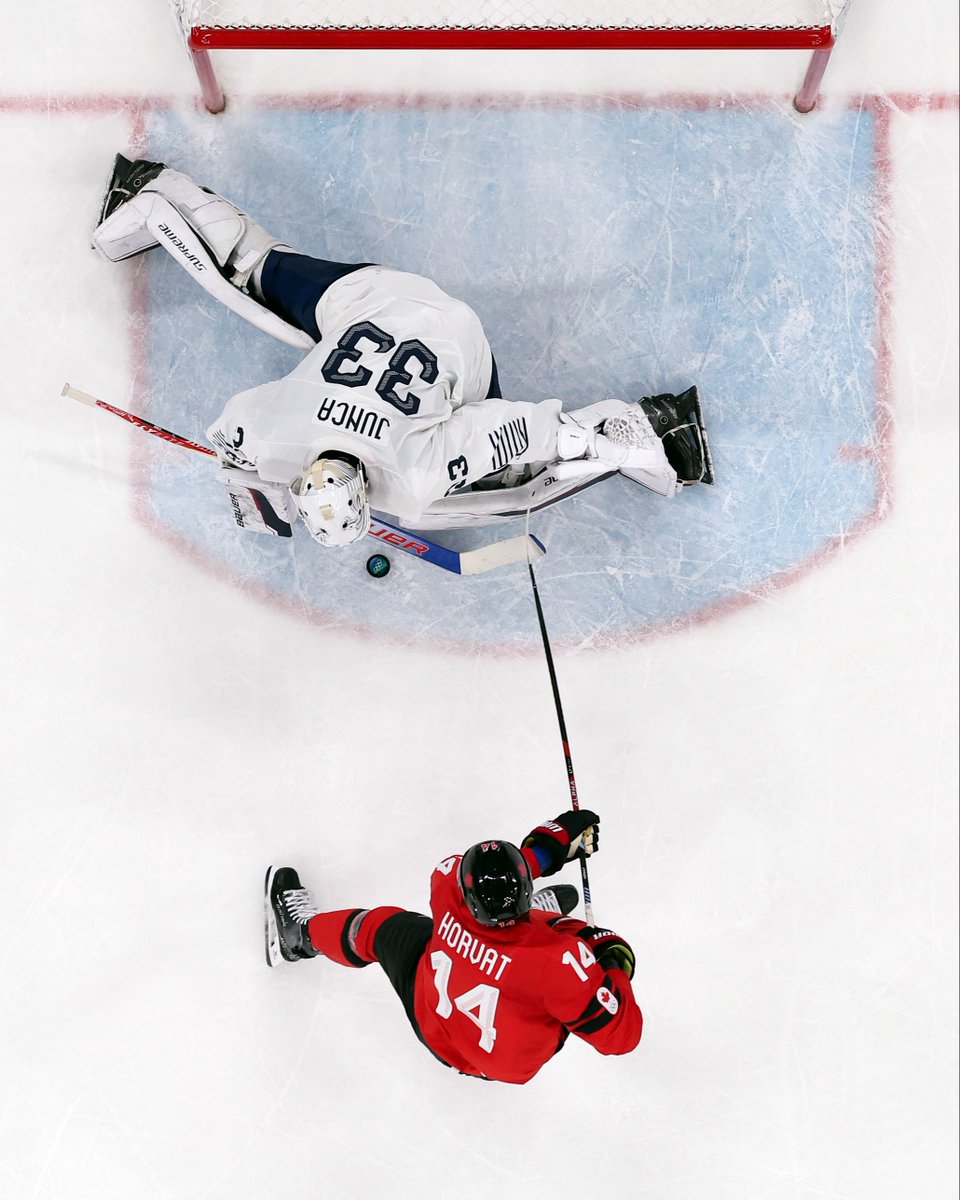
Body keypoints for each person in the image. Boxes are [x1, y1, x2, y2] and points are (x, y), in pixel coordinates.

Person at [93, 153, 712, 547]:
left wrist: (583, 441)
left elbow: (510, 430)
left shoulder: (414, 480)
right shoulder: (269, 429)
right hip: (375, 295)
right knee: (255, 268)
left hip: (458, 339)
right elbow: (232, 431)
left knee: (510, 480)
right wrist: (248, 467)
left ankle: (653, 423)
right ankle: (153, 186)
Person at [264, 809, 642, 1084]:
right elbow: (621, 1037)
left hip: (431, 1014)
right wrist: (611, 958)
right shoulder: (560, 964)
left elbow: (462, 868)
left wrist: (546, 846)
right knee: (556, 954)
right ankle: (538, 919)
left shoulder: (446, 885)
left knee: (378, 926)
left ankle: (299, 936)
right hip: (500, 1063)